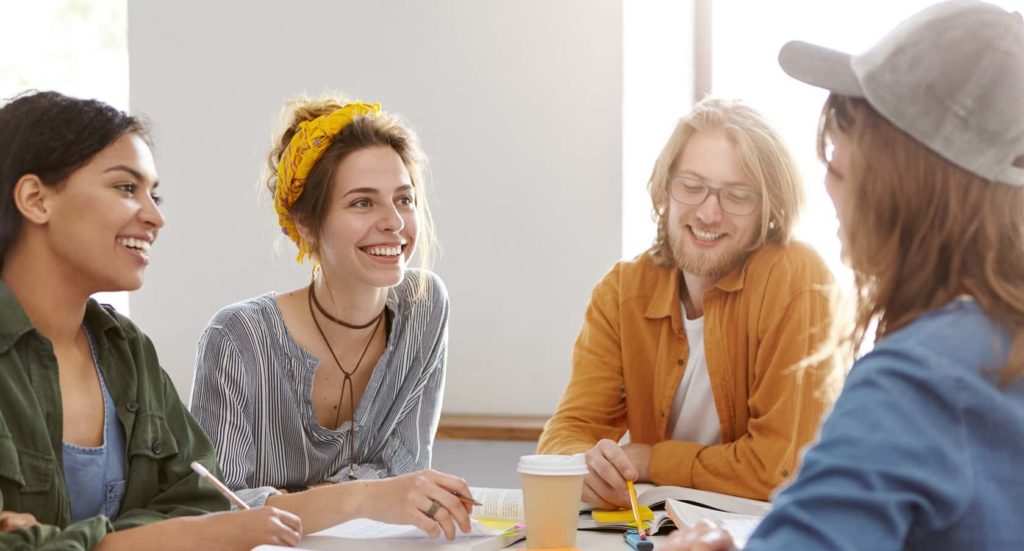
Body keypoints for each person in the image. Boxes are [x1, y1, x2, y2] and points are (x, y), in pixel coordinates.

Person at [664, 1, 1024, 549]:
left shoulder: (918, 382)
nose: (829, 186)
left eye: (835, 157)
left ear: (896, 179)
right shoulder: (995, 352)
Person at [0, 90, 302, 549]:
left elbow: (205, 503)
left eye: (154, 194)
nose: (156, 217)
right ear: (36, 199)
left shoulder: (128, 349)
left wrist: (58, 542)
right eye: (126, 188)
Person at [190, 96, 472, 538]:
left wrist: (291, 499)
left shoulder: (424, 306)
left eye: (404, 199)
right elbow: (218, 510)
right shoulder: (238, 338)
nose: (394, 223)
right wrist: (361, 497)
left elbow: (407, 472)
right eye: (363, 203)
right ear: (306, 224)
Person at [537, 97, 834, 508]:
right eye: (692, 187)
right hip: (666, 531)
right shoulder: (622, 290)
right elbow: (567, 430)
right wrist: (583, 464)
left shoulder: (797, 278)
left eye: (738, 195)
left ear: (769, 208)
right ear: (665, 192)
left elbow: (776, 471)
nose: (709, 213)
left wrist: (651, 460)